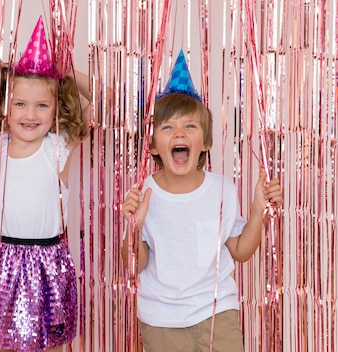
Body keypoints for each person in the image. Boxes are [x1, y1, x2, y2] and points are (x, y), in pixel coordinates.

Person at [121, 51, 283, 352]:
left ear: (205, 143)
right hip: (162, 320)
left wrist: (258, 208)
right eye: (167, 127)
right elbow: (134, 265)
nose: (179, 133)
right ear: (153, 145)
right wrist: (135, 226)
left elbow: (240, 251)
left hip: (217, 313)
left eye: (190, 127)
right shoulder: (143, 193)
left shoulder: (221, 190)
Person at [0, 17, 90, 352]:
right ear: (5, 105)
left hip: (48, 261)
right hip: (1, 262)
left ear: (56, 109)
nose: (30, 114)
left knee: (51, 344)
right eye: (20, 103)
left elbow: (101, 99)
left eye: (42, 105)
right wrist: (0, 76)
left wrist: (65, 72)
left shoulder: (57, 148)